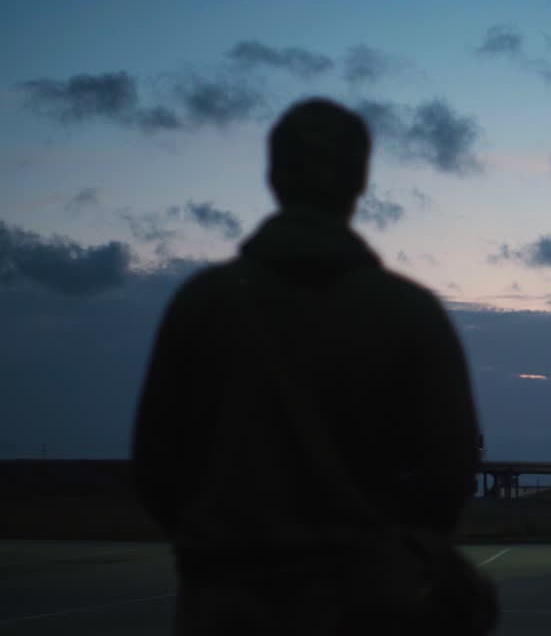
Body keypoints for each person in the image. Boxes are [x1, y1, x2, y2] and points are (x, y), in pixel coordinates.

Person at [131, 97, 496, 634]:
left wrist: (219, 548)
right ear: (361, 179)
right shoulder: (410, 313)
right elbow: (450, 471)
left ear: (274, 176)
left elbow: (157, 466)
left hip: (225, 604)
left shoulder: (203, 304)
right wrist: (395, 550)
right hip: (368, 603)